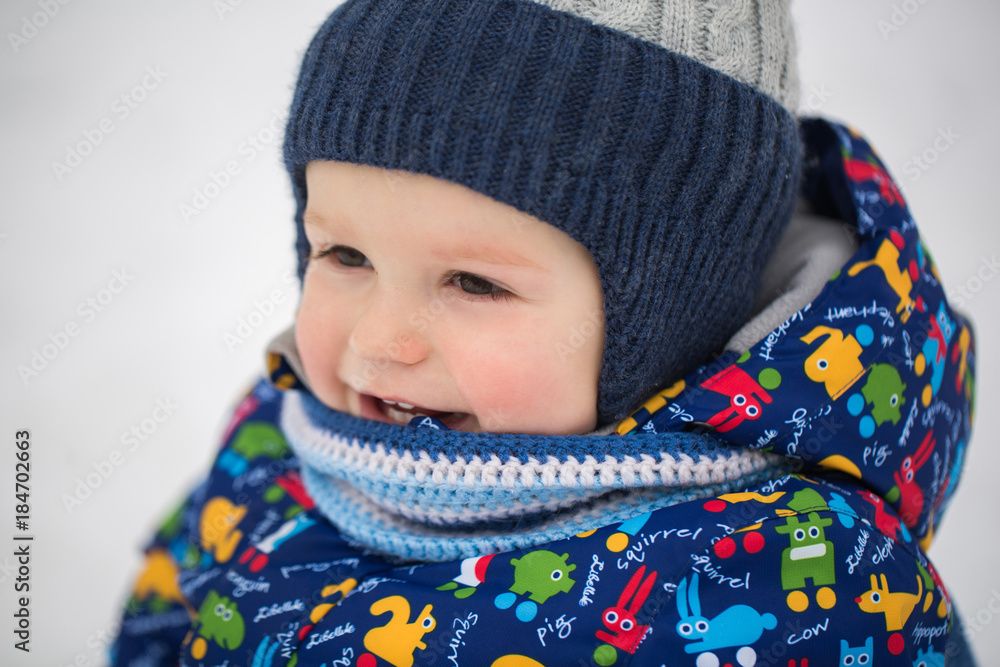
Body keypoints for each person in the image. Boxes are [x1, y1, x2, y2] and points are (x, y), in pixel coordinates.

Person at [111, 1, 977, 665]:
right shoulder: (278, 444)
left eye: (475, 281)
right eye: (344, 254)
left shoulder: (811, 583)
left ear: (665, 313)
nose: (379, 340)